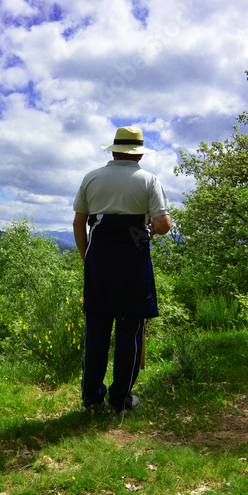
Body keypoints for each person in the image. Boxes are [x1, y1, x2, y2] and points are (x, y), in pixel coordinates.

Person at [73, 126, 172, 414]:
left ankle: (92, 400)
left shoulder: (91, 177)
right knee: (130, 333)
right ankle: (121, 400)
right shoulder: (149, 180)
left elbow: (79, 224)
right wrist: (147, 230)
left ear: (114, 150)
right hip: (133, 259)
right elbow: (163, 225)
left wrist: (87, 259)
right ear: (139, 154)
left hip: (99, 260)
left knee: (97, 333)